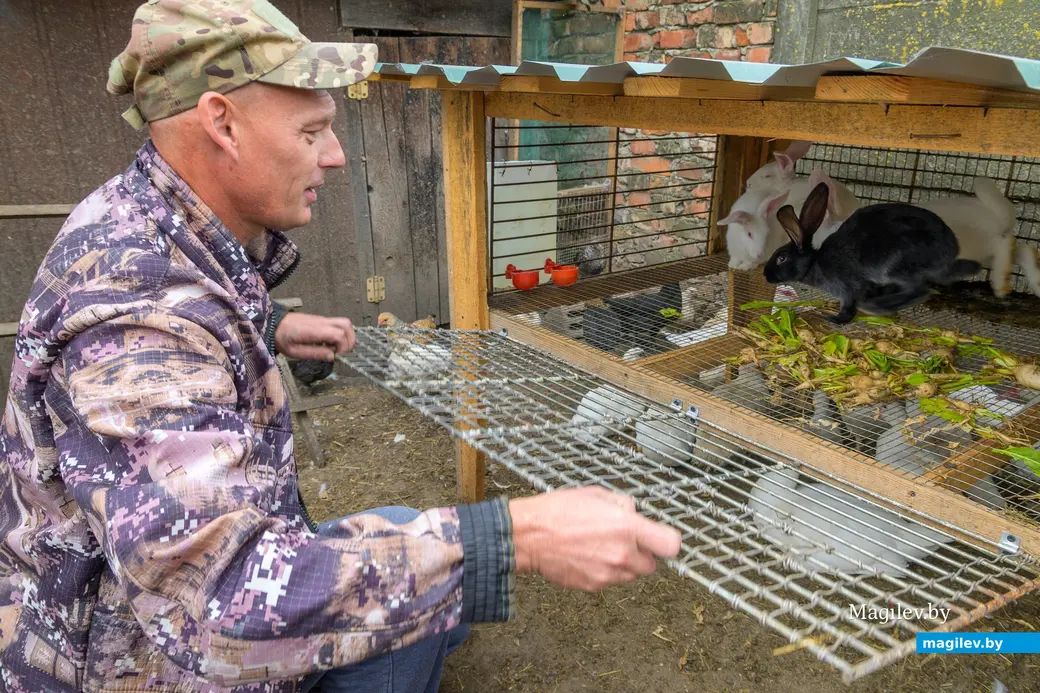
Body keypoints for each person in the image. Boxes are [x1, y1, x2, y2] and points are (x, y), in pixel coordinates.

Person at [0, 2, 682, 692]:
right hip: (140, 659)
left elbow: (185, 330)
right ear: (221, 123)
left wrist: (267, 330)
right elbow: (223, 604)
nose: (335, 153)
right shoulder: (135, 322)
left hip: (154, 613)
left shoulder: (149, 220)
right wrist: (516, 536)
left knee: (403, 537)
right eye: (312, 130)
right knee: (417, 611)